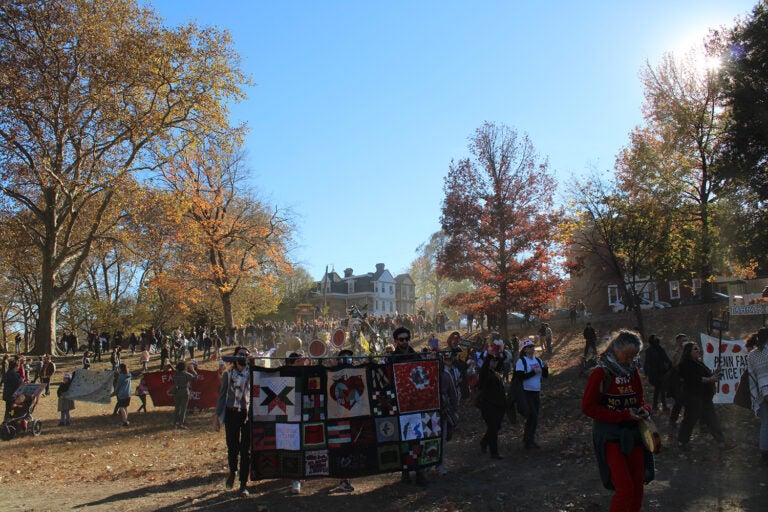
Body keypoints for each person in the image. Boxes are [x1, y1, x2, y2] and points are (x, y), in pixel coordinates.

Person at [582, 330, 653, 512]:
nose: (631, 361)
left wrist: (644, 410)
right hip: (611, 437)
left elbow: (640, 401)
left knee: (638, 487)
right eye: (627, 356)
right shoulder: (601, 373)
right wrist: (622, 415)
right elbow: (588, 407)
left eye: (634, 357)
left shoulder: (632, 372)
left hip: (634, 435)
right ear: (615, 349)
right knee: (625, 489)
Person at [390, 327, 428, 486]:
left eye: (406, 339)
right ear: (396, 341)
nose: (404, 342)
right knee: (403, 439)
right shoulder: (391, 358)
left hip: (415, 403)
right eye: (401, 339)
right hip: (399, 404)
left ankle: (419, 470)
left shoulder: (416, 356)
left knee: (416, 438)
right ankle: (405, 471)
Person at [676, 341, 731, 451]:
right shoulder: (685, 364)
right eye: (695, 349)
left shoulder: (699, 363)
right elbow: (693, 379)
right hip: (693, 396)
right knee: (690, 419)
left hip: (704, 396)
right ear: (688, 352)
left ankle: (721, 442)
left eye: (698, 349)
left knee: (712, 419)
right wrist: (710, 379)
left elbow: (707, 375)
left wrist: (716, 372)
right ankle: (682, 442)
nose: (698, 351)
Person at [214, 346, 252, 497]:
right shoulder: (228, 375)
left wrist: (255, 363)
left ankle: (243, 484)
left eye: (245, 355)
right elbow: (222, 395)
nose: (243, 357)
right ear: (235, 357)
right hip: (231, 413)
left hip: (248, 414)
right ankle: (232, 471)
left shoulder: (254, 374)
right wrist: (217, 416)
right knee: (232, 447)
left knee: (246, 451)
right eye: (240, 354)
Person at [515, 338, 548, 449]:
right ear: (524, 350)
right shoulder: (522, 361)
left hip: (536, 391)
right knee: (532, 416)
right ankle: (529, 441)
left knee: (534, 417)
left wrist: (546, 368)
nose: (532, 349)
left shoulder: (537, 360)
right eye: (529, 347)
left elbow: (545, 375)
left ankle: (528, 439)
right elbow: (520, 377)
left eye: (533, 347)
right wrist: (533, 372)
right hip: (526, 392)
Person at [476, 353, 506, 460]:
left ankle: (484, 443)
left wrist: (501, 353)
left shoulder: (495, 372)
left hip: (499, 404)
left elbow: (502, 363)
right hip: (488, 405)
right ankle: (494, 452)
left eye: (496, 361)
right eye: (493, 360)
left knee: (496, 427)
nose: (495, 362)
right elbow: (484, 381)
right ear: (488, 362)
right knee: (493, 428)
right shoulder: (485, 372)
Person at [747, 327, 768, 466]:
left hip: (761, 392)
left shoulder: (752, 355)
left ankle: (764, 454)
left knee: (765, 424)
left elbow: (751, 376)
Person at [437, 350, 460, 475]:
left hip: (443, 412)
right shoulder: (426, 375)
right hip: (430, 414)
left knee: (443, 438)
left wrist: (455, 410)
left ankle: (440, 464)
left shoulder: (446, 376)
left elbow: (453, 394)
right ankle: (430, 464)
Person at [643, 335, 671, 412]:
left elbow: (666, 359)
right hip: (654, 372)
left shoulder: (660, 349)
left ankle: (657, 405)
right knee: (659, 388)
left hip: (661, 371)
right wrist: (647, 373)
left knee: (659, 388)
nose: (657, 339)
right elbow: (647, 362)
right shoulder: (649, 350)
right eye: (655, 338)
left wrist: (670, 366)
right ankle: (661, 405)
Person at [172, 360, 198, 429]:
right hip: (184, 391)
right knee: (183, 408)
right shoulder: (186, 374)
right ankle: (180, 424)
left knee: (177, 408)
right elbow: (195, 377)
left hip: (177, 391)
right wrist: (193, 370)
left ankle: (174, 423)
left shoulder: (175, 374)